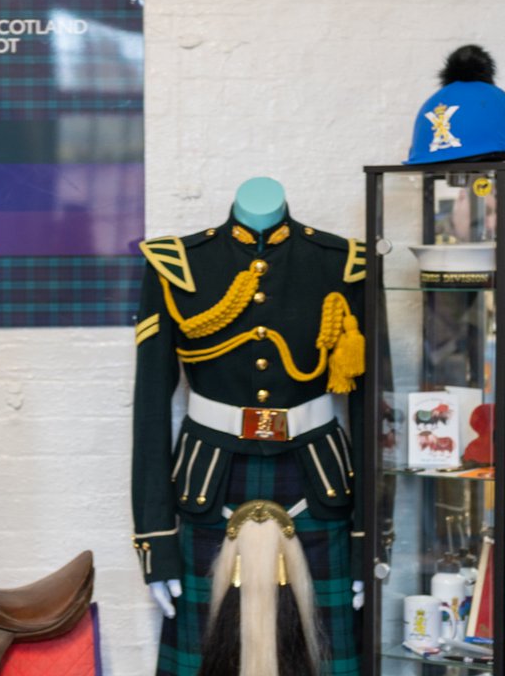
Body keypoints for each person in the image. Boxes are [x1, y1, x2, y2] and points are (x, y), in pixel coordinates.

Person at [130, 177, 366, 675]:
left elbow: (369, 408)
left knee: (329, 658)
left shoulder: (341, 264)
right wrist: (157, 542)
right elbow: (150, 406)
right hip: (210, 484)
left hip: (317, 478)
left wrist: (367, 538)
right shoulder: (177, 267)